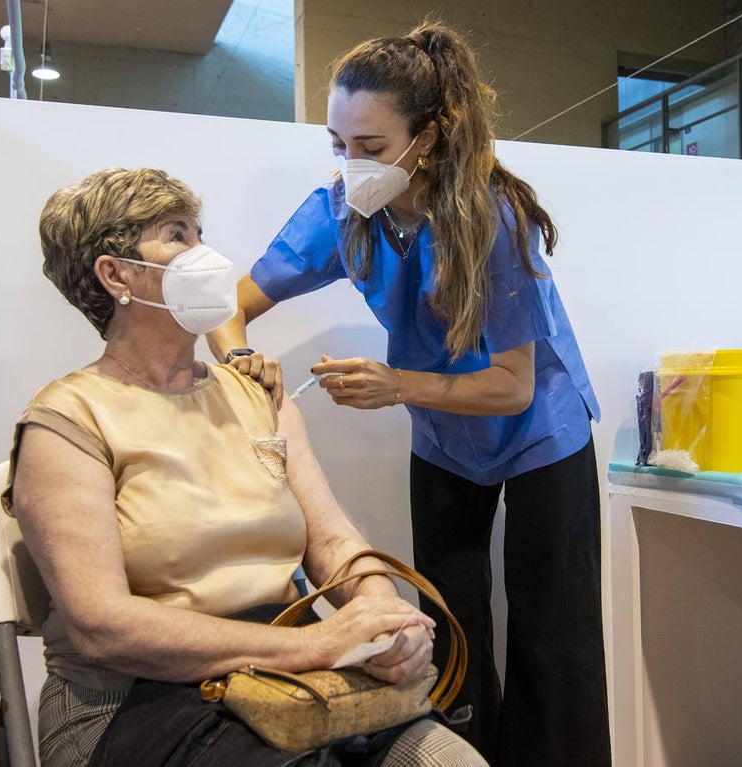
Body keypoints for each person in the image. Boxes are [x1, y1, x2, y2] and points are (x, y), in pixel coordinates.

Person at [206, 22, 611, 767]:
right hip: (445, 437)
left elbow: (514, 384)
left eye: (371, 147)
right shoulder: (341, 214)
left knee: (556, 641)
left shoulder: (494, 218)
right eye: (337, 144)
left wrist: (395, 386)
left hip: (538, 431)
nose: (351, 165)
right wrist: (242, 364)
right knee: (447, 628)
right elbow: (227, 306)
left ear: (429, 137)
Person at [4, 167, 487, 767]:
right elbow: (103, 626)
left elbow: (332, 538)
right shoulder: (67, 422)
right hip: (137, 699)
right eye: (176, 235)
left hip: (291, 679)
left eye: (200, 233)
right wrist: (317, 642)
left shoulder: (260, 395)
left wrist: (379, 616)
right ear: (115, 274)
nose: (204, 254)